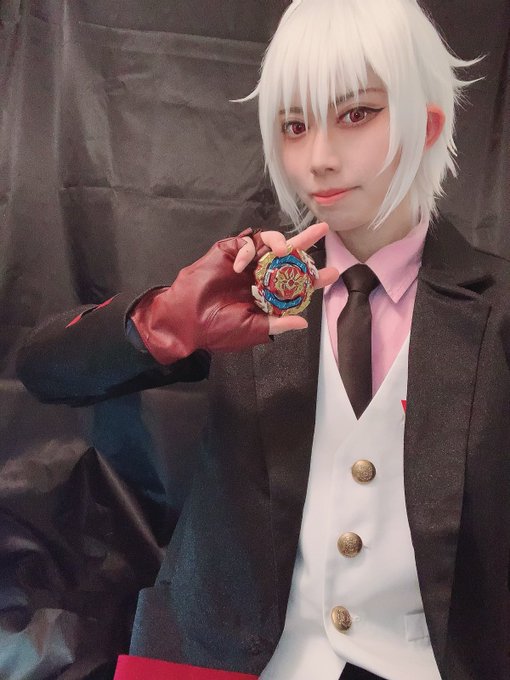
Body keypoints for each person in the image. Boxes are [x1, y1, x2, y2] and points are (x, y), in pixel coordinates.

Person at [16, 1, 510, 679]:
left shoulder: (495, 309)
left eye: (357, 114)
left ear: (426, 126)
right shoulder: (247, 291)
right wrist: (163, 322)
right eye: (295, 125)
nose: (320, 159)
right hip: (233, 658)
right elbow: (43, 369)